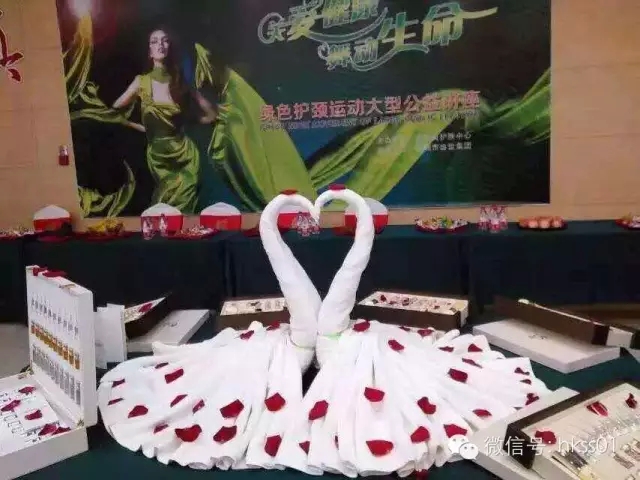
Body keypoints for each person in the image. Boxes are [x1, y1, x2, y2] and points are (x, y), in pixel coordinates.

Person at [112, 28, 217, 213]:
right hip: (159, 159)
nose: (160, 45)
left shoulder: (180, 82)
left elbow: (211, 114)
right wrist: (138, 126)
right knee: (163, 208)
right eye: (154, 41)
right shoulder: (141, 82)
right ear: (149, 51)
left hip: (185, 157)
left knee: (186, 209)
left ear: (169, 48)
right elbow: (114, 111)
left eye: (165, 40)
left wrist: (190, 120)